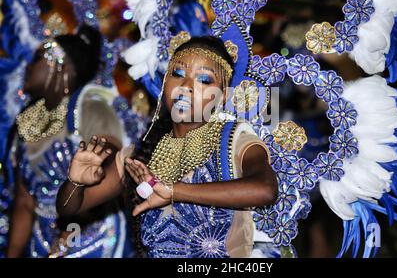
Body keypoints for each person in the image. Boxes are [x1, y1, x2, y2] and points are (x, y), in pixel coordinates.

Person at [56, 34, 279, 258]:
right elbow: (69, 208)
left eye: (204, 80)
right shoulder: (139, 155)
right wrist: (75, 183)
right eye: (178, 74)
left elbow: (265, 189)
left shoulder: (234, 140)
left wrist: (174, 192)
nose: (186, 86)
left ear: (222, 97)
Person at [6, 25, 132, 258]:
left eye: (37, 58)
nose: (29, 66)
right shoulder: (25, 124)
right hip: (41, 239)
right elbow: (24, 202)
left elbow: (110, 168)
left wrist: (71, 231)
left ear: (60, 65)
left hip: (94, 236)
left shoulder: (90, 108)